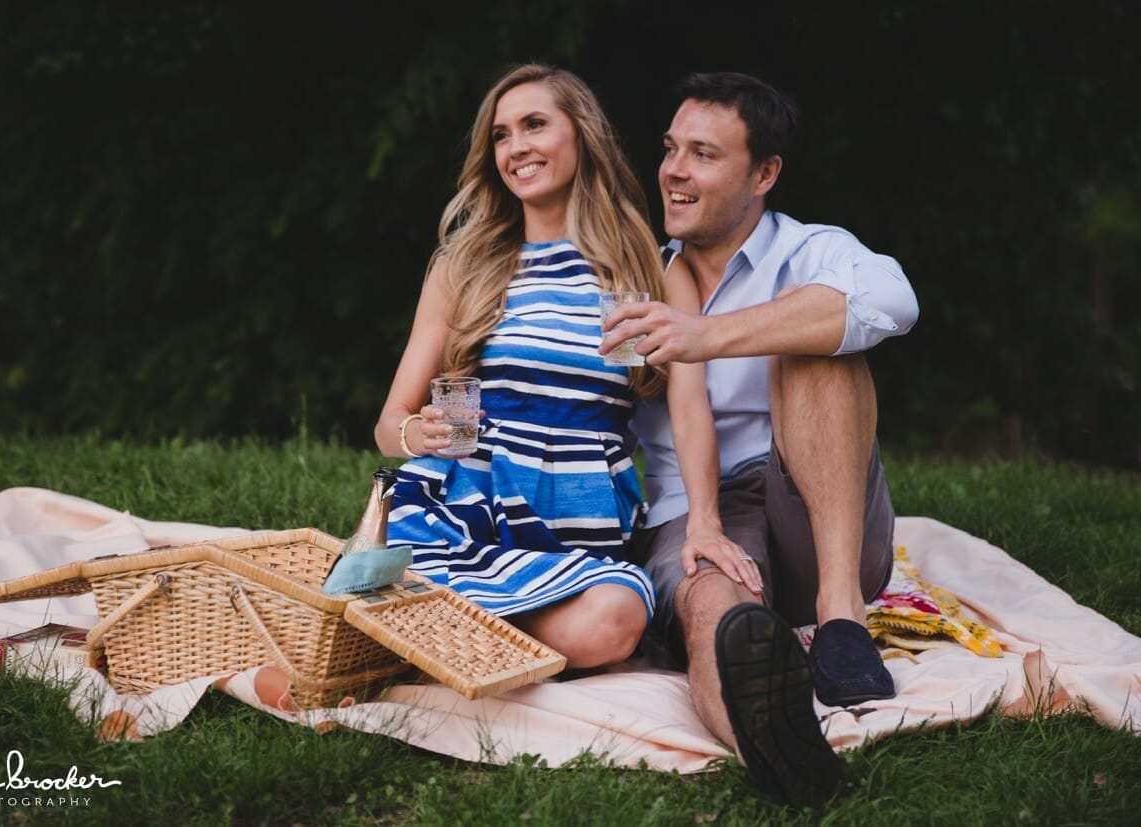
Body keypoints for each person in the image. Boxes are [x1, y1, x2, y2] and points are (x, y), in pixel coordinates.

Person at [600, 72, 919, 807]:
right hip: (696, 514)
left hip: (819, 515)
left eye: (704, 154)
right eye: (671, 149)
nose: (674, 171)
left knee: (820, 340)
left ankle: (841, 623)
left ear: (764, 173)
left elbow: (895, 300)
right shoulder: (643, 275)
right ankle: (775, 748)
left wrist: (708, 335)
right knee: (713, 608)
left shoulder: (809, 251)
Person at [374, 63, 709, 671]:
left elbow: (686, 412)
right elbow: (392, 421)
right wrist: (415, 433)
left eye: (534, 125)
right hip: (466, 502)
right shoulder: (466, 268)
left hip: (578, 522)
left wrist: (705, 523)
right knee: (414, 565)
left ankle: (419, 639)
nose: (516, 147)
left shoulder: (640, 271)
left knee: (617, 619)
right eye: (501, 135)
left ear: (582, 135)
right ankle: (449, 633)